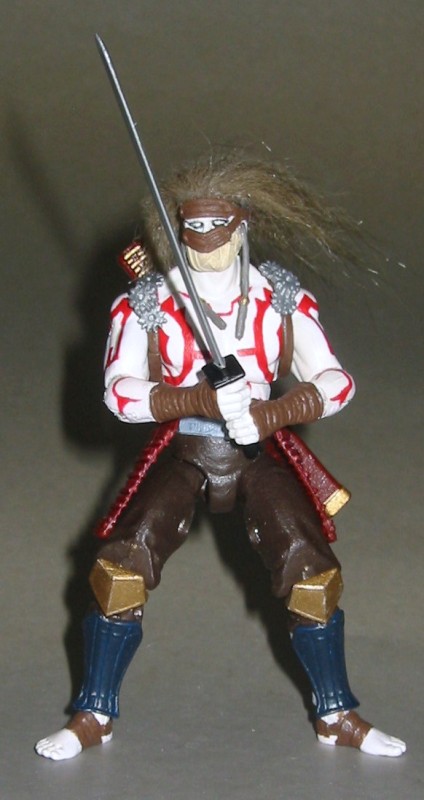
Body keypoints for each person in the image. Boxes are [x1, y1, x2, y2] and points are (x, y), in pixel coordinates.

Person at [35, 153, 406, 760]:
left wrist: (273, 413)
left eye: (217, 224)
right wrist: (195, 398)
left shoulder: (280, 298)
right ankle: (94, 713)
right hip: (185, 446)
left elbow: (336, 382)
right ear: (178, 229)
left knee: (312, 576)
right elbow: (119, 393)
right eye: (194, 226)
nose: (205, 237)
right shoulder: (149, 301)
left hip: (256, 450)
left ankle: (336, 712)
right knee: (121, 569)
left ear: (242, 225)